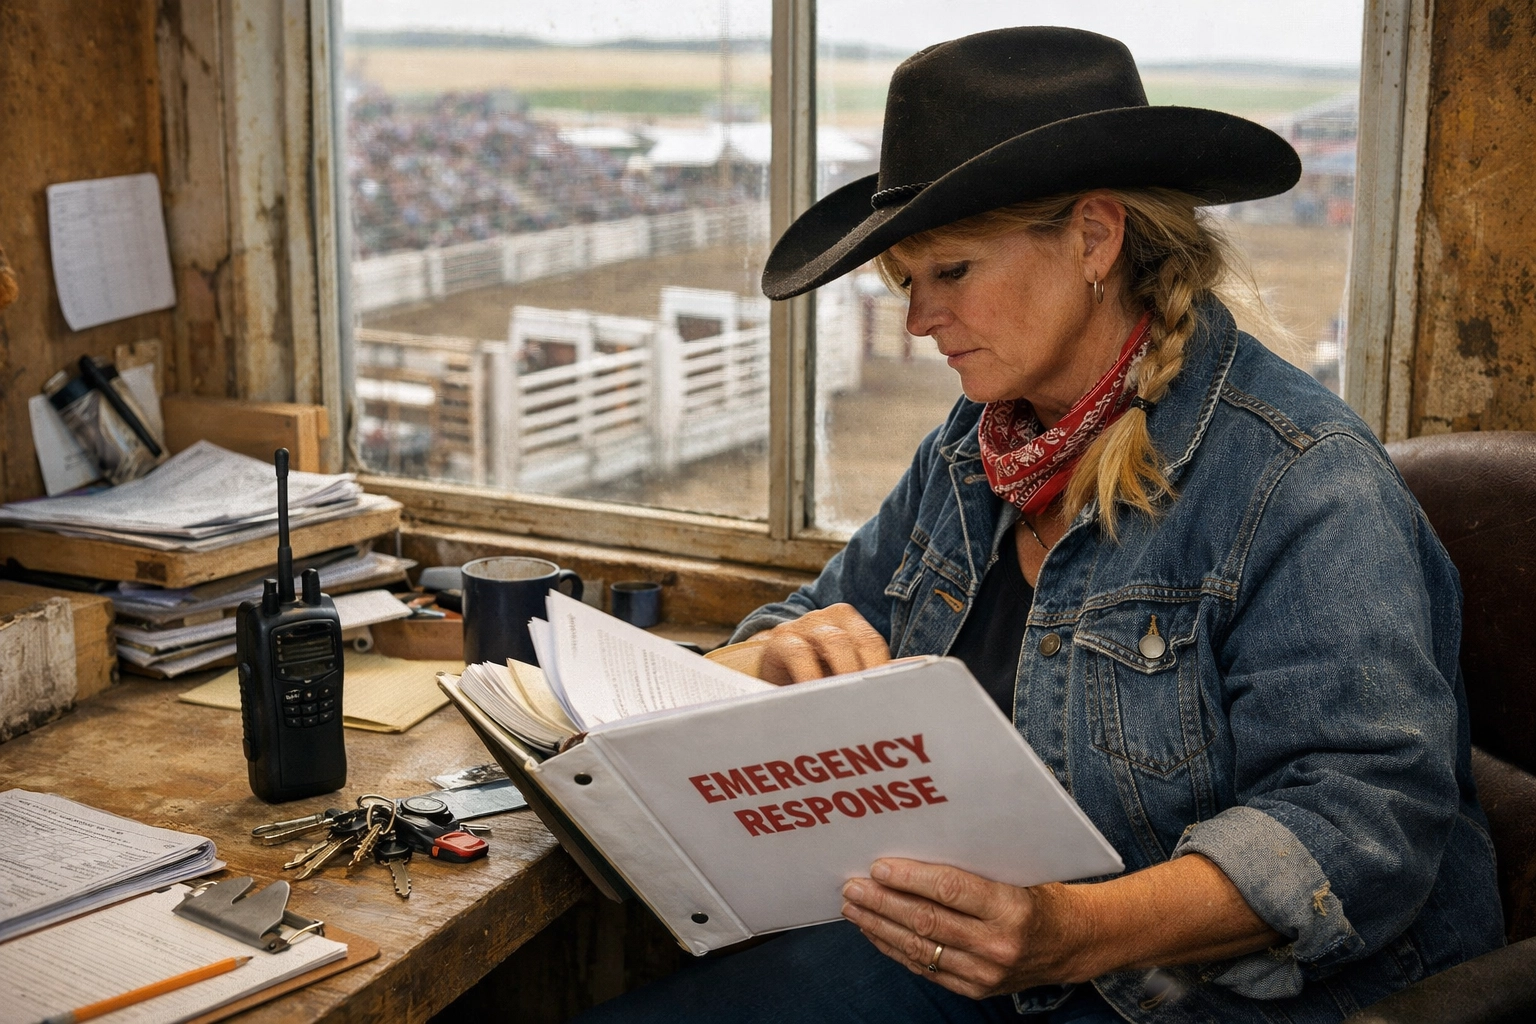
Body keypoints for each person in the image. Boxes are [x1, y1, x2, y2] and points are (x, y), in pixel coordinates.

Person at [579, 26, 1502, 1023]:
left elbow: (1360, 828)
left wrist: (1068, 931)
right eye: (908, 283)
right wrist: (771, 659)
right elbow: (813, 618)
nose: (917, 320)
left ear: (1095, 238)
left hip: (1218, 1002)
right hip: (995, 971)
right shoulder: (976, 450)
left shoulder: (1303, 481)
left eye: (954, 272)